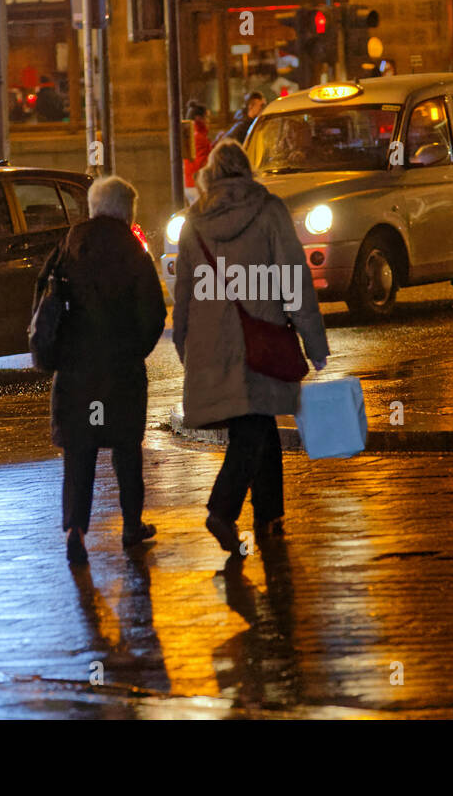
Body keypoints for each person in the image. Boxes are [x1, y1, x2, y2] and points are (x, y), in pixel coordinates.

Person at [172, 140, 330, 554]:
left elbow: (184, 291)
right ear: (246, 171)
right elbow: (294, 279)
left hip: (212, 344)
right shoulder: (269, 210)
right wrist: (313, 340)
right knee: (253, 428)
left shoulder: (194, 222)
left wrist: (184, 341)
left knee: (258, 424)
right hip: (261, 339)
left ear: (210, 175)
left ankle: (269, 513)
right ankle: (222, 510)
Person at [42, 175, 167, 565]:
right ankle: (131, 525)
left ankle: (76, 531)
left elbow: (43, 303)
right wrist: (134, 350)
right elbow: (154, 314)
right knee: (126, 448)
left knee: (79, 454)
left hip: (75, 372)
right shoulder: (133, 252)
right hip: (120, 370)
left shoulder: (67, 247)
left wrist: (60, 353)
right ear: (125, 210)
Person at [182, 100, 211, 204]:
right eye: (207, 117)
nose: (208, 121)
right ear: (199, 118)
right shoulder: (199, 137)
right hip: (197, 185)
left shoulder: (191, 135)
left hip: (189, 184)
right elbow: (202, 162)